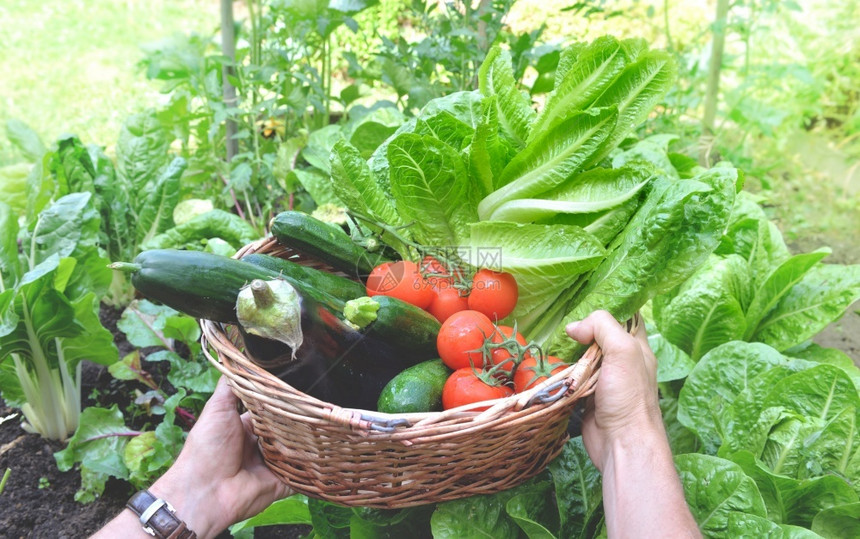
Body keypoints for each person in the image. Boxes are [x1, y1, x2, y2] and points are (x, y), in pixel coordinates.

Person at [92, 310, 700, 539]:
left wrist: (184, 497)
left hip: (481, 353)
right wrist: (633, 433)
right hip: (471, 353)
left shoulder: (477, 355)